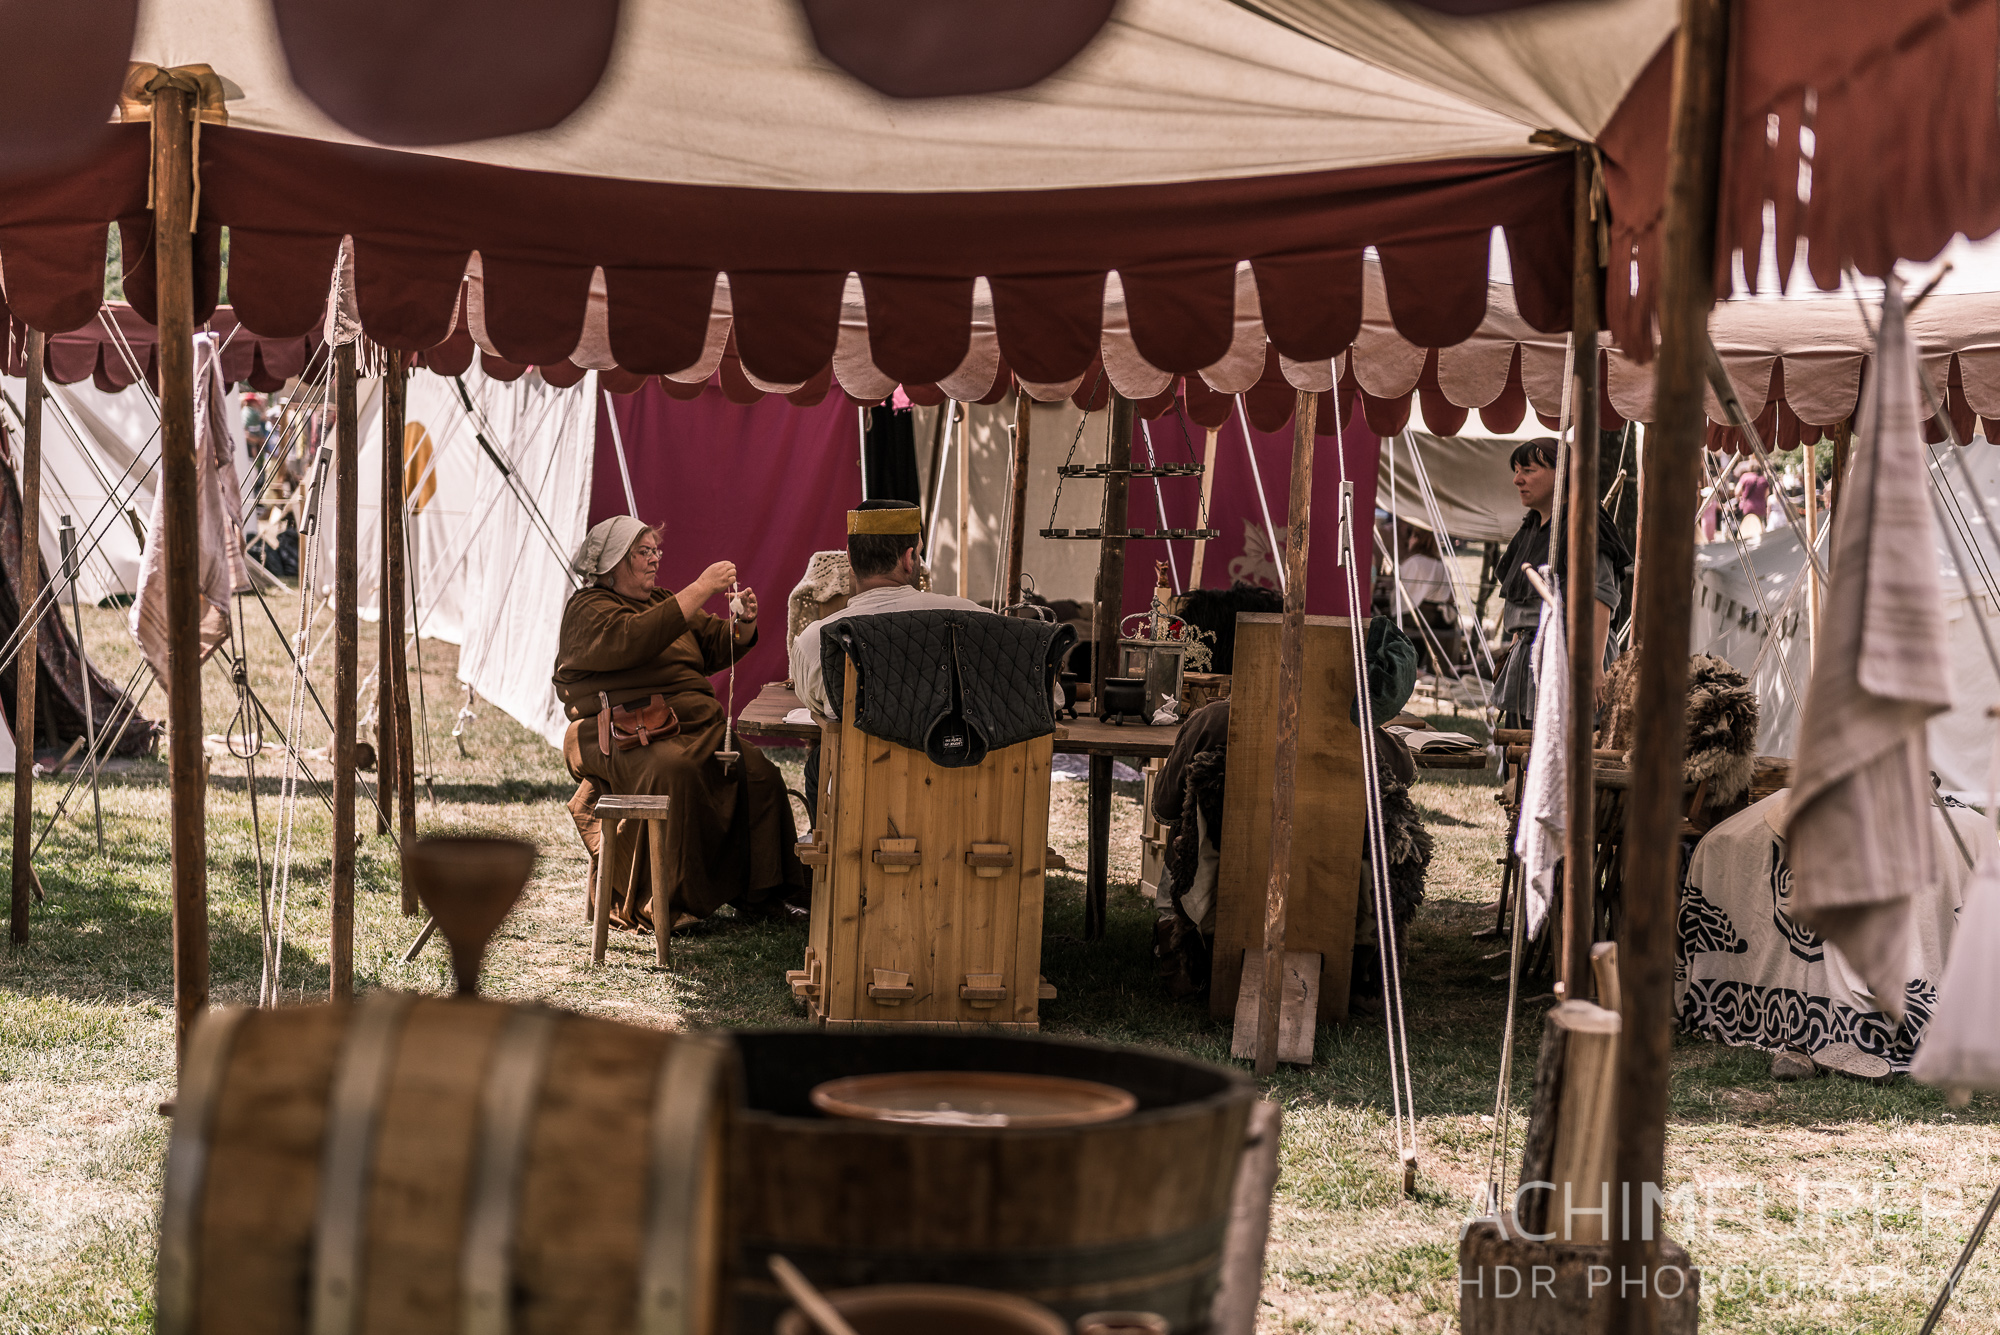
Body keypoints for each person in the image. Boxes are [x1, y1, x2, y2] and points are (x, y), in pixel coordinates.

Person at [554, 516, 805, 930]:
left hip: (692, 727)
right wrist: (703, 586)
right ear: (614, 561)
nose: (655, 559)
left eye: (657, 551)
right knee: (675, 772)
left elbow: (715, 642)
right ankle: (664, 901)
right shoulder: (589, 608)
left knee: (759, 773)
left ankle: (764, 894)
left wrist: (742, 624)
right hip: (623, 732)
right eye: (644, 552)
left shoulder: (663, 602)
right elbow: (637, 636)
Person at [791, 499, 1046, 819]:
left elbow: (816, 706)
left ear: (851, 560)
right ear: (910, 559)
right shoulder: (981, 622)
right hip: (973, 814)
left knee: (820, 764)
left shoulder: (816, 640)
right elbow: (1045, 694)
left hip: (870, 814)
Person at [1491, 438, 1633, 727]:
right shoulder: (1531, 528)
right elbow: (1522, 602)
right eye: (1516, 471)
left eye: (1528, 470)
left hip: (1570, 658)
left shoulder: (1586, 523)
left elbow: (1601, 597)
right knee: (1522, 747)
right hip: (1528, 661)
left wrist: (1594, 666)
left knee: (1566, 746)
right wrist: (1514, 652)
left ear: (1562, 473)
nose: (1517, 480)